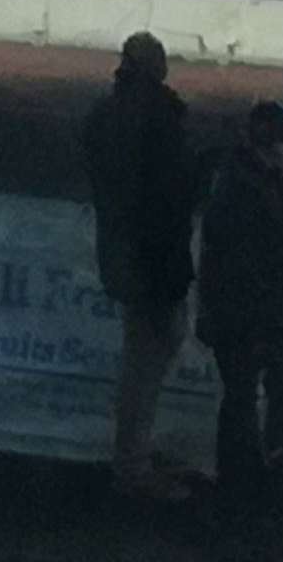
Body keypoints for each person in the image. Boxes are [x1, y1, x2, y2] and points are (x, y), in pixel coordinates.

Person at [79, 33, 199, 501]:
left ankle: (135, 456)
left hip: (126, 252)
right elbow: (171, 191)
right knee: (148, 361)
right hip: (154, 256)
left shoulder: (106, 115)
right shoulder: (158, 117)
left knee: (145, 357)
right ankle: (132, 466)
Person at [197, 99, 283, 501]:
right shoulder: (253, 186)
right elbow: (250, 257)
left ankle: (242, 480)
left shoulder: (239, 178)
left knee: (242, 397)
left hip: (242, 311)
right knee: (243, 398)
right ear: (274, 144)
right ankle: (241, 484)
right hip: (248, 313)